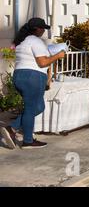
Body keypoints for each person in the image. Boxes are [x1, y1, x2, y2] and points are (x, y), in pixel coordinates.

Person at [0, 18, 66, 149]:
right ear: (37, 29)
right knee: (30, 109)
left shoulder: (21, 41)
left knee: (39, 107)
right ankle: (28, 141)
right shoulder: (35, 41)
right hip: (32, 77)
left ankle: (12, 128)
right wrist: (58, 55)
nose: (43, 31)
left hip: (20, 75)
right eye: (42, 29)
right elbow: (42, 62)